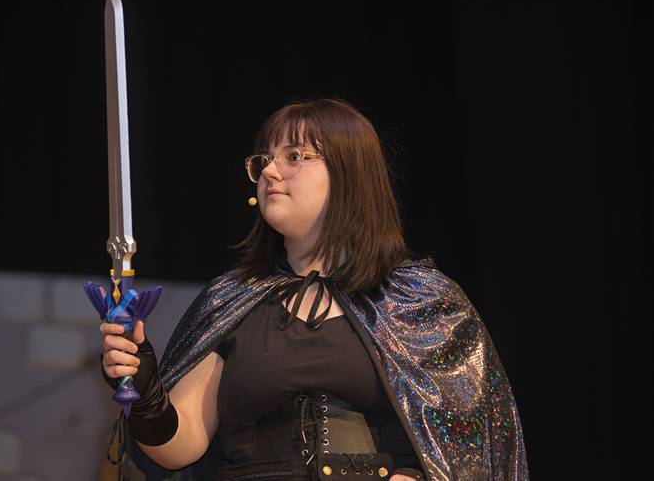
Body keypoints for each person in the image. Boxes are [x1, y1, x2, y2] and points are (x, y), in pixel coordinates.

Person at [99, 98, 529, 480]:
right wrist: (144, 387)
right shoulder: (231, 300)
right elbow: (178, 448)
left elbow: (466, 455)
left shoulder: (422, 303)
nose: (269, 170)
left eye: (295, 156)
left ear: (348, 176)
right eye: (264, 160)